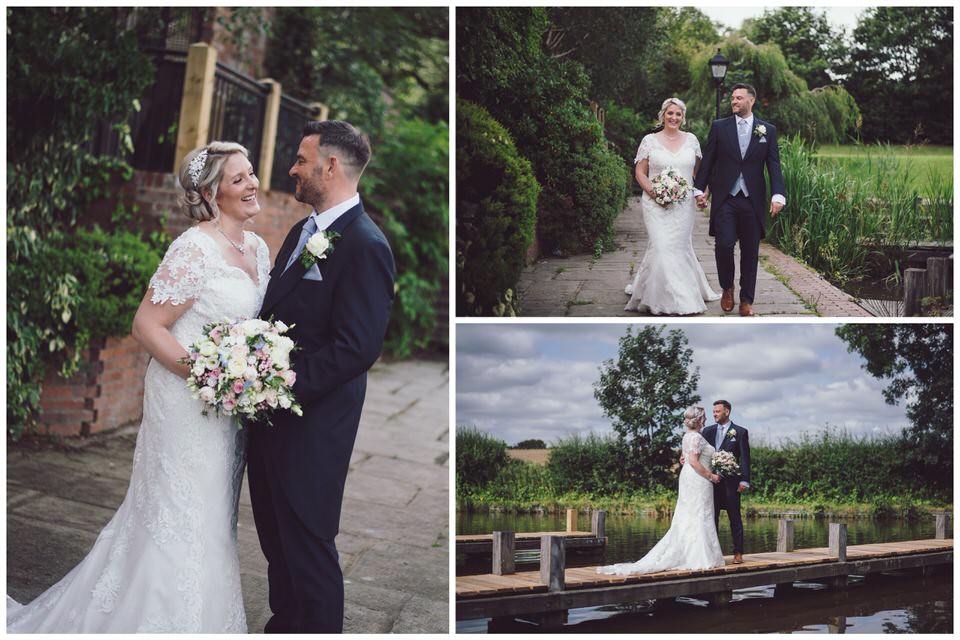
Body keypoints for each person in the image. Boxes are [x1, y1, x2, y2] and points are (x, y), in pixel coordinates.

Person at [7, 142, 269, 632]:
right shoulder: (194, 248)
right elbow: (147, 326)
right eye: (238, 179)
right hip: (187, 401)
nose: (252, 184)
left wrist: (248, 373)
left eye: (251, 173)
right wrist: (210, 376)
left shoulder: (256, 248)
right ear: (211, 194)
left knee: (213, 515)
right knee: (179, 513)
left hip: (226, 408)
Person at [247, 120, 396, 633]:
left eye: (300, 159)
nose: (292, 168)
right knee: (277, 549)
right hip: (269, 422)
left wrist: (277, 384)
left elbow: (356, 347)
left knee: (309, 552)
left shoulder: (365, 244)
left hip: (312, 428)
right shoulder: (301, 232)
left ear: (330, 166)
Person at [694, 83, 787, 317]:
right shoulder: (719, 127)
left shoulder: (768, 130)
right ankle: (727, 287)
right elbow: (708, 161)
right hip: (726, 197)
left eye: (738, 98)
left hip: (752, 200)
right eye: (732, 98)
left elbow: (773, 165)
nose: (734, 102)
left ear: (751, 101)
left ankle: (747, 300)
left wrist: (778, 194)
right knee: (723, 245)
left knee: (750, 251)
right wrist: (699, 190)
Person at [597, 406, 725, 575]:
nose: (706, 419)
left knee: (691, 514)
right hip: (698, 478)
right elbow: (694, 461)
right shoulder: (696, 437)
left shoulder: (687, 436)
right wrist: (711, 476)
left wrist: (685, 459)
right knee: (698, 514)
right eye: (704, 417)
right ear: (699, 419)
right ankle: (699, 557)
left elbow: (686, 458)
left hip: (689, 476)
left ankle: (694, 554)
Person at [624, 97, 721, 315]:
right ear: (663, 115)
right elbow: (640, 172)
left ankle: (670, 293)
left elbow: (699, 174)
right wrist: (654, 192)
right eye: (670, 113)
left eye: (678, 114)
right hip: (655, 203)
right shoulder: (649, 140)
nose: (674, 117)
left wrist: (703, 194)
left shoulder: (691, 140)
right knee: (660, 246)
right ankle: (668, 299)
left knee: (677, 247)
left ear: (683, 118)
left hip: (683, 205)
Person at [701, 399, 751, 564]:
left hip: (731, 483)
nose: (714, 414)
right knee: (712, 518)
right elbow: (699, 454)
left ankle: (738, 553)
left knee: (734, 517)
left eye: (717, 411)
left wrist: (744, 480)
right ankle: (714, 554)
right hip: (711, 483)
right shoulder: (706, 431)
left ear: (727, 412)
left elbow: (744, 458)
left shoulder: (740, 432)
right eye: (713, 411)